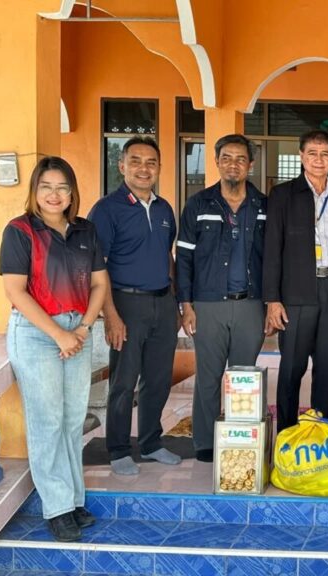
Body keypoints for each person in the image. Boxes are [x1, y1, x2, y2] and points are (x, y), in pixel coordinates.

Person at [1, 157, 109, 541]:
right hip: (35, 334)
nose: (54, 194)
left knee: (72, 419)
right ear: (35, 190)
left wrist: (81, 329)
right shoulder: (19, 231)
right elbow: (15, 291)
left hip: (77, 329)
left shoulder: (85, 230)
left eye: (62, 187)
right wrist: (59, 335)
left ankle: (74, 499)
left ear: (72, 192)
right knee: (47, 420)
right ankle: (58, 508)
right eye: (46, 186)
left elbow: (100, 284)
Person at [89, 136, 182, 476]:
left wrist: (176, 302)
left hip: (162, 302)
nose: (144, 169)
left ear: (159, 168)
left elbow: (167, 255)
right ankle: (117, 449)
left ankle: (151, 442)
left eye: (151, 162)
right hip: (125, 303)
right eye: (136, 161)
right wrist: (110, 315)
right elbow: (97, 267)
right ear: (122, 166)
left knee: (158, 379)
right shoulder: (106, 210)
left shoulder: (164, 209)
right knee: (124, 381)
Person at [177, 134, 267, 461]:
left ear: (250, 165)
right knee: (209, 376)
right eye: (226, 158)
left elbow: (274, 257)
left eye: (240, 159)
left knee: (243, 379)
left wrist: (272, 303)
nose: (233, 164)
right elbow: (184, 257)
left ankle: (239, 439)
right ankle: (205, 442)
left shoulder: (264, 206)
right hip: (208, 304)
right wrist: (186, 305)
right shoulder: (198, 204)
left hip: (250, 304)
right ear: (216, 162)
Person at [264, 130, 328, 432]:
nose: (319, 159)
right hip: (296, 292)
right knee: (292, 368)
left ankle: (321, 433)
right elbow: (272, 248)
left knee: (327, 368)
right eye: (312, 153)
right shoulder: (283, 195)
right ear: (302, 156)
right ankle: (287, 434)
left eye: (325, 154)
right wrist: (272, 299)